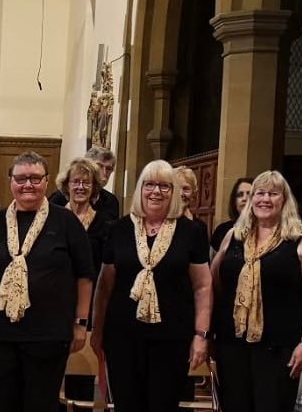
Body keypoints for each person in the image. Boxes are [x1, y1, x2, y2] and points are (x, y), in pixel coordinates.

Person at [90, 160, 212, 411]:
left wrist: (201, 335)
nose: (156, 192)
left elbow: (202, 286)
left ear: (174, 191)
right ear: (140, 189)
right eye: (149, 185)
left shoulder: (191, 231)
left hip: (172, 337)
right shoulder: (119, 229)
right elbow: (104, 286)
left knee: (163, 405)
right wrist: (98, 332)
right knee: (127, 405)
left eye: (164, 186)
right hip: (123, 337)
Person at [0, 151, 95, 412]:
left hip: (48, 334)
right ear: (11, 181)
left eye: (35, 178)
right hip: (0, 335)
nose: (27, 185)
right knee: (1, 404)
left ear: (47, 181)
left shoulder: (66, 222)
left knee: (40, 404)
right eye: (21, 178)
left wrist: (80, 323)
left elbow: (85, 276)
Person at [211, 170, 302, 412]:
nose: (265, 199)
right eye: (260, 193)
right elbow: (215, 281)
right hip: (232, 344)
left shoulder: (298, 237)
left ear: (284, 200)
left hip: (279, 346)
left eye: (273, 194)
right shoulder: (234, 235)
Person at [58, 157, 114, 274]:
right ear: (67, 185)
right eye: (76, 181)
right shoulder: (54, 220)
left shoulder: (105, 225)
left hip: (91, 287)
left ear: (94, 187)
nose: (81, 187)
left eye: (87, 182)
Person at [50, 148, 121, 222]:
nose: (104, 172)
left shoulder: (111, 201)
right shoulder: (59, 198)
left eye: (109, 169)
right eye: (100, 166)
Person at [211, 178, 253, 252]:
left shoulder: (265, 230)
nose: (244, 198)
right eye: (240, 195)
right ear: (234, 201)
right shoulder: (222, 230)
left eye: (249, 194)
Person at [175, 166, 209, 236]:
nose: (181, 194)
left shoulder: (201, 227)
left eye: (186, 189)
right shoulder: (158, 222)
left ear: (193, 194)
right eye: (176, 188)